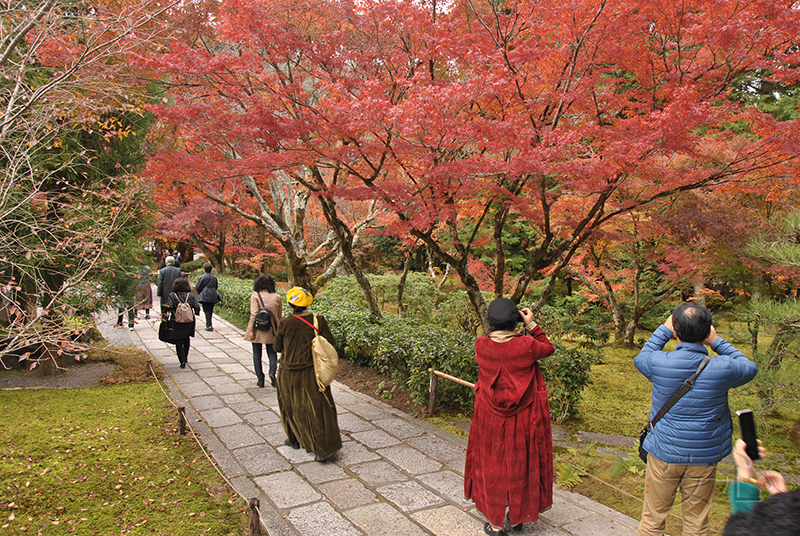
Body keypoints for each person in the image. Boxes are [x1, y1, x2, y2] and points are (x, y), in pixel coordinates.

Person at [635, 301, 758, 536]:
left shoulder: (659, 363)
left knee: (652, 519)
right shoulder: (723, 368)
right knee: (696, 522)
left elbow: (642, 356)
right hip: (704, 455)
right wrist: (716, 342)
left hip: (664, 452)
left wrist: (663, 330)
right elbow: (749, 367)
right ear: (707, 331)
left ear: (675, 332)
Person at [464, 298, 555, 536]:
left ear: (489, 322)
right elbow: (548, 348)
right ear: (516, 321)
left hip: (489, 417)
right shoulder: (527, 346)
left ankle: (495, 524)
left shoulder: (480, 345)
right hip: (523, 418)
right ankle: (517, 517)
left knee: (492, 465)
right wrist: (532, 326)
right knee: (521, 463)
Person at [273, 287, 341, 462]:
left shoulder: (285, 323)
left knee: (290, 406)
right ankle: (323, 448)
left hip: (288, 372)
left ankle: (294, 439)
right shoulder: (318, 321)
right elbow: (330, 343)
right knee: (319, 408)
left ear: (290, 304)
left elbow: (277, 347)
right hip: (313, 372)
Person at [244, 275, 282, 387]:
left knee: (257, 354)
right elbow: (279, 316)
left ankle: (260, 379)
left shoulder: (255, 295)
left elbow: (254, 314)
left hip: (258, 328)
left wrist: (251, 330)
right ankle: (272, 372)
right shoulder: (277, 297)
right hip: (272, 328)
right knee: (272, 352)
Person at [158, 277, 200, 368]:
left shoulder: (172, 295)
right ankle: (186, 356)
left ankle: (182, 361)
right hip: (189, 321)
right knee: (186, 338)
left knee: (179, 340)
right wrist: (196, 313)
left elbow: (169, 306)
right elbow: (196, 306)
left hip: (176, 321)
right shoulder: (191, 295)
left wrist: (165, 313)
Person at [195, 262, 220, 332]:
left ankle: (208, 325)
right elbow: (216, 286)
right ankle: (209, 323)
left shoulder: (202, 277)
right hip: (212, 295)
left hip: (205, 295)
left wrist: (200, 293)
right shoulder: (214, 277)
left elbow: (198, 287)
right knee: (210, 310)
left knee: (206, 310)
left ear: (204, 269)